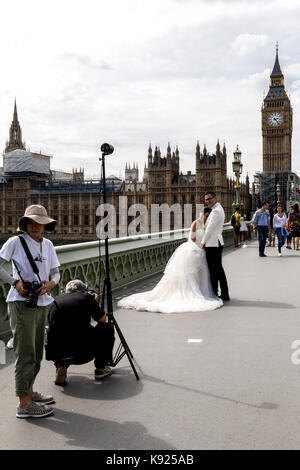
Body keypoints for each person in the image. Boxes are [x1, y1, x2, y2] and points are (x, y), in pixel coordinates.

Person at [0, 205, 60, 419]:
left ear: (46, 225)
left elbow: (56, 272)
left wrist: (52, 283)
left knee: (35, 353)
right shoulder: (15, 242)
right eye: (31, 223)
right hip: (21, 303)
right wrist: (14, 281)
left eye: (39, 223)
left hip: (41, 302)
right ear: (24, 224)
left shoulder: (49, 245)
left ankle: (30, 392)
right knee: (25, 354)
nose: (35, 227)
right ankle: (24, 404)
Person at [117, 208, 223, 313]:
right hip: (193, 249)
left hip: (201, 250)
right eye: (206, 216)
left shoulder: (206, 224)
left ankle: (202, 292)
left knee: (201, 273)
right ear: (202, 214)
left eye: (208, 216)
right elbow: (193, 238)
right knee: (189, 274)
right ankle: (191, 293)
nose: (207, 217)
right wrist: (202, 246)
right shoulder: (195, 223)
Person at [46, 280, 115, 385]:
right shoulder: (85, 297)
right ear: (83, 290)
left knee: (55, 333)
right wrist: (94, 302)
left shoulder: (54, 301)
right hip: (84, 353)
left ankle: (60, 366)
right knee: (107, 327)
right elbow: (102, 320)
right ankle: (100, 368)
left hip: (59, 354)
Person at [201, 191, 230, 301]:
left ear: (215, 198)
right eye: (206, 200)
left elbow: (209, 229)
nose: (207, 201)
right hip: (216, 242)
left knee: (214, 271)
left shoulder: (216, 211)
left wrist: (203, 242)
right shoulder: (218, 209)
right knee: (218, 270)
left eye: (209, 199)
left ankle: (215, 293)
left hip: (212, 244)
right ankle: (224, 293)